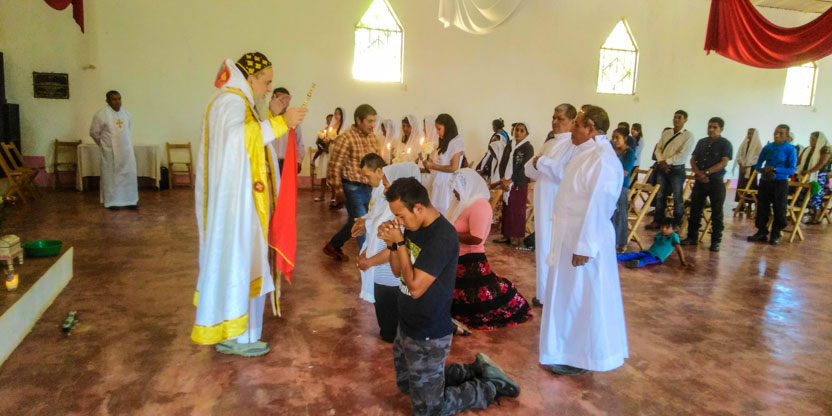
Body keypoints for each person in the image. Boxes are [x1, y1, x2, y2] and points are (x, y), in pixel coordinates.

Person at [192, 52, 307, 356]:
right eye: (266, 82)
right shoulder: (231, 102)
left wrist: (276, 122)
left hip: (240, 203)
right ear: (251, 78)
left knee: (240, 262)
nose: (268, 88)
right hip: (237, 208)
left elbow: (248, 143)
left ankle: (236, 332)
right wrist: (281, 123)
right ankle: (239, 336)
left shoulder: (237, 101)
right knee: (240, 262)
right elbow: (238, 141)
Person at [378, 177, 520, 415]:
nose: (397, 221)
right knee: (406, 385)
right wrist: (393, 245)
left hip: (429, 332)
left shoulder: (442, 237)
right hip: (407, 324)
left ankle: (489, 387)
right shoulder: (414, 226)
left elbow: (416, 288)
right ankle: (474, 369)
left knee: (428, 411)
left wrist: (399, 242)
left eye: (400, 216)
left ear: (419, 208)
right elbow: (396, 271)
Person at [539, 105, 628, 376]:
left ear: (591, 129)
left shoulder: (602, 159)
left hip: (585, 240)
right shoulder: (585, 153)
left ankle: (583, 356)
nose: (572, 130)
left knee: (582, 298)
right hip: (570, 235)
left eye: (577, 124)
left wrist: (584, 246)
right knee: (569, 297)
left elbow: (598, 207)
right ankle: (566, 349)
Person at [447, 169, 533, 329]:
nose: (454, 192)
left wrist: (449, 234)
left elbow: (476, 238)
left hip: (471, 260)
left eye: (456, 188)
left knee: (479, 304)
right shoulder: (462, 204)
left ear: (467, 187)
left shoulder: (480, 206)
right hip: (456, 256)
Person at [353, 155, 420, 342]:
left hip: (392, 279)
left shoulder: (404, 214)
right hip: (380, 275)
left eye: (388, 184)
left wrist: (369, 262)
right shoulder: (387, 207)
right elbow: (376, 234)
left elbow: (396, 247)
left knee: (392, 333)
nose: (384, 189)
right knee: (386, 329)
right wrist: (365, 252)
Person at [524, 103, 578, 308]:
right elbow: (529, 169)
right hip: (542, 201)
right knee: (542, 245)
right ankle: (542, 292)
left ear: (572, 121)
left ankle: (553, 294)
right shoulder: (550, 142)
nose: (555, 122)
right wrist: (539, 163)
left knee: (553, 247)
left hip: (557, 203)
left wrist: (542, 162)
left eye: (560, 118)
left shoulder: (573, 145)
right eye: (553, 118)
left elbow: (565, 174)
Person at [322, 104, 381, 261]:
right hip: (352, 188)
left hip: (369, 188)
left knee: (357, 221)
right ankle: (367, 259)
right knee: (362, 223)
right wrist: (338, 191)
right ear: (358, 120)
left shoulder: (373, 138)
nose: (373, 125)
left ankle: (334, 244)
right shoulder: (346, 138)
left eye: (374, 121)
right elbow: (335, 166)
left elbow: (378, 163)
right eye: (369, 121)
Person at [680, 117, 733, 251]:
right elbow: (693, 159)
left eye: (715, 127)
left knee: (716, 212)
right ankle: (692, 237)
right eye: (709, 126)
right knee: (695, 209)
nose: (711, 129)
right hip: (700, 180)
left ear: (721, 129)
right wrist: (698, 172)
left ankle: (716, 241)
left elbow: (723, 162)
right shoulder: (702, 142)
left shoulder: (725, 144)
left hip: (715, 181)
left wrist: (707, 172)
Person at [748, 124, 798, 245]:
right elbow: (758, 164)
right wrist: (762, 170)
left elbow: (791, 170)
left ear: (787, 136)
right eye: (775, 132)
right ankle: (761, 231)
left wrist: (775, 170)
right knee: (762, 208)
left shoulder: (790, 149)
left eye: (781, 133)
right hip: (765, 181)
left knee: (779, 208)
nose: (777, 135)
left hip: (780, 182)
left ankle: (775, 233)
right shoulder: (768, 147)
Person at [89, 90, 138, 209]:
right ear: (107, 101)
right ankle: (112, 202)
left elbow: (127, 130)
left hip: (126, 151)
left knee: (128, 175)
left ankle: (130, 200)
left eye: (119, 99)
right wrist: (103, 145)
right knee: (111, 177)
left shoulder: (126, 113)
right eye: (114, 99)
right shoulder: (101, 114)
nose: (117, 102)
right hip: (110, 152)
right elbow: (94, 132)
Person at [647, 110, 695, 229]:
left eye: (679, 117)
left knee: (677, 197)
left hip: (677, 169)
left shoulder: (688, 136)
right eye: (675, 117)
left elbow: (683, 154)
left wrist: (666, 162)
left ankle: (677, 222)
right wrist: (661, 161)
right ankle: (658, 220)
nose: (676, 120)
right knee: (660, 195)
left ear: (685, 120)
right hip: (662, 167)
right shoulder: (667, 133)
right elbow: (658, 148)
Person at [494, 122, 534, 248]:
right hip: (506, 181)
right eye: (517, 130)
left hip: (519, 183)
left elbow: (523, 167)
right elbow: (503, 162)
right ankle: (506, 235)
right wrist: (502, 178)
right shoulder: (510, 144)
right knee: (507, 209)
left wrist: (510, 180)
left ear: (526, 133)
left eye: (522, 131)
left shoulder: (528, 147)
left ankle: (516, 237)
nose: (518, 133)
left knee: (517, 210)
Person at [424, 114, 465, 215]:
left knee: (443, 213)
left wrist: (433, 166)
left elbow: (454, 167)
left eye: (439, 129)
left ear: (448, 127)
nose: (437, 132)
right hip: (438, 181)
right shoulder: (445, 141)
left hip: (446, 184)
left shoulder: (456, 142)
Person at [617, 219, 691, 268]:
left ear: (673, 230)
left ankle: (636, 264)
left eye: (667, 228)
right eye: (662, 227)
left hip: (657, 258)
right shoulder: (658, 235)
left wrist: (683, 261)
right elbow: (656, 245)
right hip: (649, 252)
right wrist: (648, 251)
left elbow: (679, 249)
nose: (663, 229)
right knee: (633, 254)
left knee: (646, 260)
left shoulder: (673, 236)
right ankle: (616, 257)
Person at [268, 87, 305, 174]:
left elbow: (299, 143)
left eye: (286, 100)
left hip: (287, 163)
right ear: (273, 99)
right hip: (269, 163)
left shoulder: (293, 121)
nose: (283, 103)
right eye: (281, 99)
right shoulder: (266, 119)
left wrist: (298, 161)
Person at [797, 131, 830, 223]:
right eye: (810, 139)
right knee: (803, 194)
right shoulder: (807, 149)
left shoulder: (825, 149)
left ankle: (816, 217)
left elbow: (822, 163)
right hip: (806, 175)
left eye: (813, 139)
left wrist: (810, 171)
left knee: (816, 195)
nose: (811, 141)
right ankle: (807, 214)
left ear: (819, 140)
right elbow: (799, 161)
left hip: (819, 175)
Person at [611, 127, 635, 253]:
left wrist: (610, 173)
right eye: (613, 137)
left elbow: (625, 172)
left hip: (621, 187)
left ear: (625, 138)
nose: (614, 140)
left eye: (617, 138)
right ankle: (611, 240)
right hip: (610, 186)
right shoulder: (610, 150)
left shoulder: (629, 153)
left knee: (621, 213)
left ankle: (621, 242)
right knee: (610, 213)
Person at [733, 128, 762, 207]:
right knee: (741, 185)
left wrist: (747, 165)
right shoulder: (744, 144)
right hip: (742, 168)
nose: (749, 135)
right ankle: (741, 205)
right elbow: (739, 155)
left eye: (751, 133)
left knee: (751, 186)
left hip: (752, 168)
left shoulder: (758, 145)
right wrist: (741, 164)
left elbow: (758, 158)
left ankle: (749, 205)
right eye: (748, 133)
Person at [474, 118, 508, 183]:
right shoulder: (502, 134)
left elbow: (496, 150)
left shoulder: (499, 136)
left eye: (493, 126)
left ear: (495, 126)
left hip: (495, 157)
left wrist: (484, 169)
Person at [313, 113, 333, 199]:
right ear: (326, 121)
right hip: (324, 155)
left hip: (333, 155)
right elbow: (319, 144)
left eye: (331, 120)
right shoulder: (322, 132)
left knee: (333, 176)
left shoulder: (336, 132)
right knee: (323, 175)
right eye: (328, 120)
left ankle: (333, 197)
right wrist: (323, 145)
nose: (330, 122)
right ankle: (322, 195)